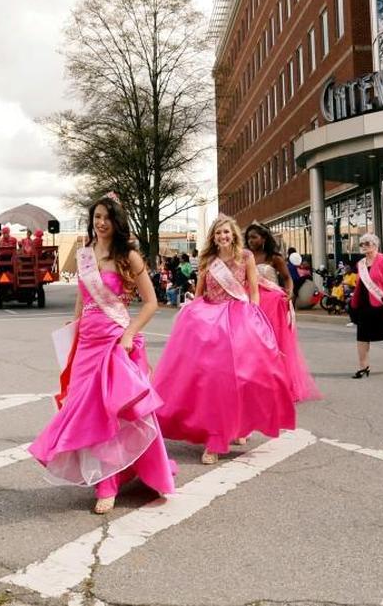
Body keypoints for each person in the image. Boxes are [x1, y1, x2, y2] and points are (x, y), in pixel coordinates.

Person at [28, 194, 174, 515]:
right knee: (85, 412)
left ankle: (108, 484)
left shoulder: (128, 256)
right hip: (87, 343)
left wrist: (129, 334)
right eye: (97, 217)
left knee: (112, 413)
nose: (101, 222)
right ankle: (105, 475)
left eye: (107, 217)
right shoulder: (84, 254)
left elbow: (151, 303)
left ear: (117, 222)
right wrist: (74, 325)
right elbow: (82, 299)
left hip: (115, 342)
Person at [154, 216, 296, 466]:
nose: (223, 236)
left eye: (227, 232)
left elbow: (253, 292)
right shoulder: (209, 260)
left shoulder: (246, 257)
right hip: (210, 323)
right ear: (214, 237)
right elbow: (200, 294)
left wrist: (255, 320)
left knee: (241, 379)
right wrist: (192, 315)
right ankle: (215, 437)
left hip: (238, 319)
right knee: (212, 381)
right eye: (219, 233)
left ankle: (237, 426)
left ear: (233, 235)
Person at [245, 222, 321, 402]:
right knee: (252, 344)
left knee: (275, 344)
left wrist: (290, 292)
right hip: (251, 301)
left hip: (272, 303)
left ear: (264, 238)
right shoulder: (245, 256)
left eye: (254, 237)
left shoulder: (274, 258)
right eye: (248, 238)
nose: (250, 241)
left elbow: (287, 278)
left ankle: (280, 386)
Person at [349, 234, 383, 379]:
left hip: (381, 302)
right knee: (362, 334)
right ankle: (363, 367)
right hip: (363, 303)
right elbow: (360, 283)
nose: (364, 246)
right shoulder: (361, 263)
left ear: (375, 245)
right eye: (362, 244)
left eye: (367, 243)